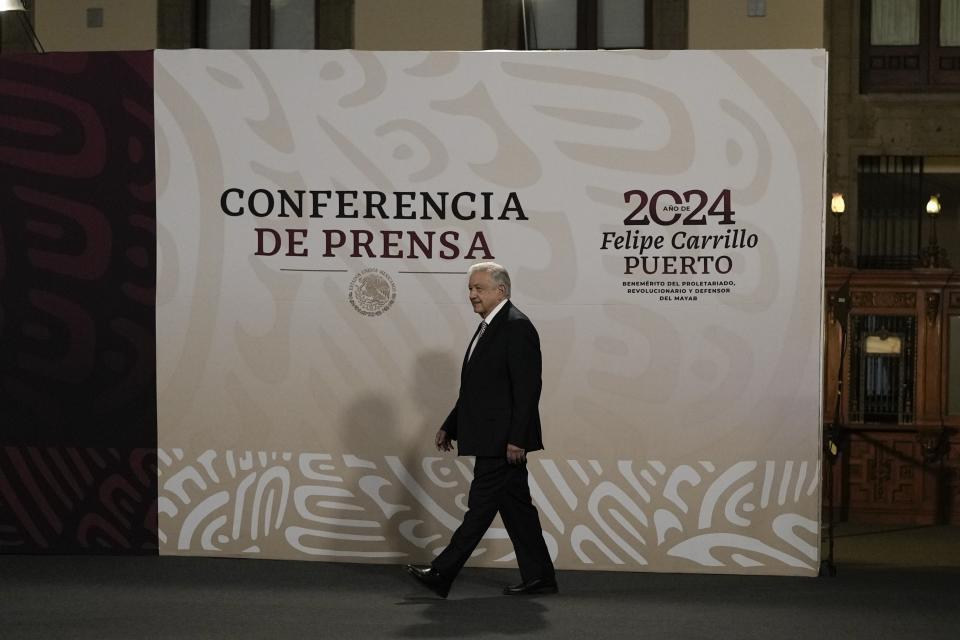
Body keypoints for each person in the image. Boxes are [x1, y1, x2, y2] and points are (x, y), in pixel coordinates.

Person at [405, 262, 557, 598]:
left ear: (501, 290)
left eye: (479, 288)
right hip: (493, 437)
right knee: (518, 511)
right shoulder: (490, 326)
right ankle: (541, 577)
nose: (472, 295)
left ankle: (442, 573)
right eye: (471, 289)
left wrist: (518, 438)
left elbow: (527, 388)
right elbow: (480, 389)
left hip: (502, 442)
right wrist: (451, 424)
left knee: (480, 507)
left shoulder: (516, 326)